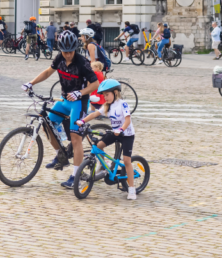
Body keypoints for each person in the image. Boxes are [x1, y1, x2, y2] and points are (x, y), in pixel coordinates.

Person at [21, 30, 99, 188]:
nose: (68, 55)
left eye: (71, 52)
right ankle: (61, 155)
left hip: (79, 102)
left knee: (75, 138)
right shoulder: (59, 58)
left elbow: (95, 84)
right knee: (46, 124)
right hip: (64, 100)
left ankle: (76, 176)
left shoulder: (82, 62)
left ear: (75, 49)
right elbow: (47, 72)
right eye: (65, 52)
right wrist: (31, 83)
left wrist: (80, 92)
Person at [77, 79, 138, 199]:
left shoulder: (123, 104)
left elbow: (127, 120)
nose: (105, 97)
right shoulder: (107, 106)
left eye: (107, 95)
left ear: (115, 92)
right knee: (99, 146)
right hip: (115, 133)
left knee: (126, 161)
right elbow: (95, 114)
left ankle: (132, 189)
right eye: (104, 95)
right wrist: (82, 121)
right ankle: (104, 164)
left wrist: (121, 129)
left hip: (127, 134)